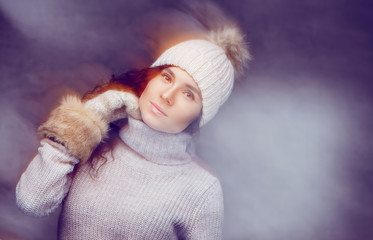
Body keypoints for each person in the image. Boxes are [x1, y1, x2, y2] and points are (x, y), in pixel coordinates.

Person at [15, 23, 250, 239]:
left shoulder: (200, 188)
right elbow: (32, 201)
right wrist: (82, 123)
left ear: (199, 116)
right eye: (167, 77)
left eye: (189, 94)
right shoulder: (97, 139)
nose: (167, 96)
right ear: (151, 76)